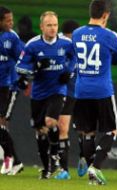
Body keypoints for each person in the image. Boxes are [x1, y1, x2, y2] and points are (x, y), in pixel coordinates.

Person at [72, 0, 117, 185]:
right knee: (112, 129)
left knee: (87, 132)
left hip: (81, 90)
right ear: (105, 15)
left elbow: (106, 58)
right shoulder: (108, 35)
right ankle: (95, 166)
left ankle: (91, 173)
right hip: (101, 90)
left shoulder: (77, 34)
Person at [16, 11, 76, 179]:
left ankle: (55, 153)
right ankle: (47, 168)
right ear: (42, 26)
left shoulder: (66, 43)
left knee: (50, 121)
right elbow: (20, 67)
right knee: (40, 131)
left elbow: (75, 58)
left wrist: (69, 71)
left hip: (58, 90)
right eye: (49, 25)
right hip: (38, 93)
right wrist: (37, 66)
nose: (53, 28)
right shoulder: (32, 45)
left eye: (55, 25)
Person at [54, 19, 80, 180]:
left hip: (81, 93)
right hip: (65, 92)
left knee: (85, 130)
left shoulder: (80, 46)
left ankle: (85, 158)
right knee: (61, 128)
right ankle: (64, 169)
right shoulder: (60, 46)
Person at [0, 6, 24, 175]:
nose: (11, 23)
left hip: (5, 86)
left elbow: (23, 58)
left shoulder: (12, 37)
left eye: (11, 19)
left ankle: (12, 158)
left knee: (1, 122)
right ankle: (13, 159)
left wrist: (23, 77)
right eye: (8, 20)